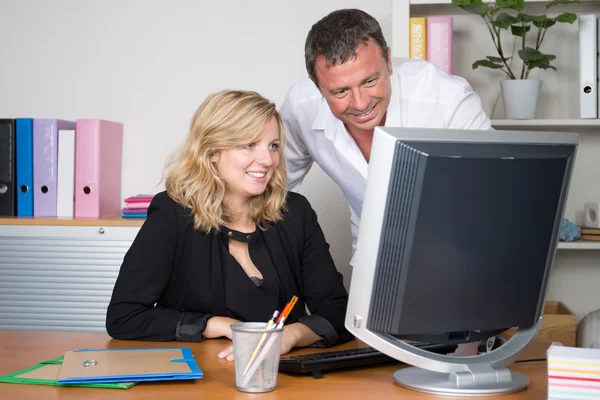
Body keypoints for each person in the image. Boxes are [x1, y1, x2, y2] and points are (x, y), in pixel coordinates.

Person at [106, 90, 351, 360]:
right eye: (249, 145)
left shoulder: (295, 213)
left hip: (278, 378)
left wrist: (290, 336)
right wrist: (215, 325)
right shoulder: (172, 214)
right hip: (199, 381)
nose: (267, 160)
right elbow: (124, 316)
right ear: (212, 153)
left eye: (273, 145)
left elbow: (338, 310)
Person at [280, 8, 492, 253]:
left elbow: (496, 187)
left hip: (462, 249)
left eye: (370, 81)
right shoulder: (301, 106)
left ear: (389, 61)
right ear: (316, 85)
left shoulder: (447, 98)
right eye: (340, 92)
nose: (360, 104)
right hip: (370, 256)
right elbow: (272, 189)